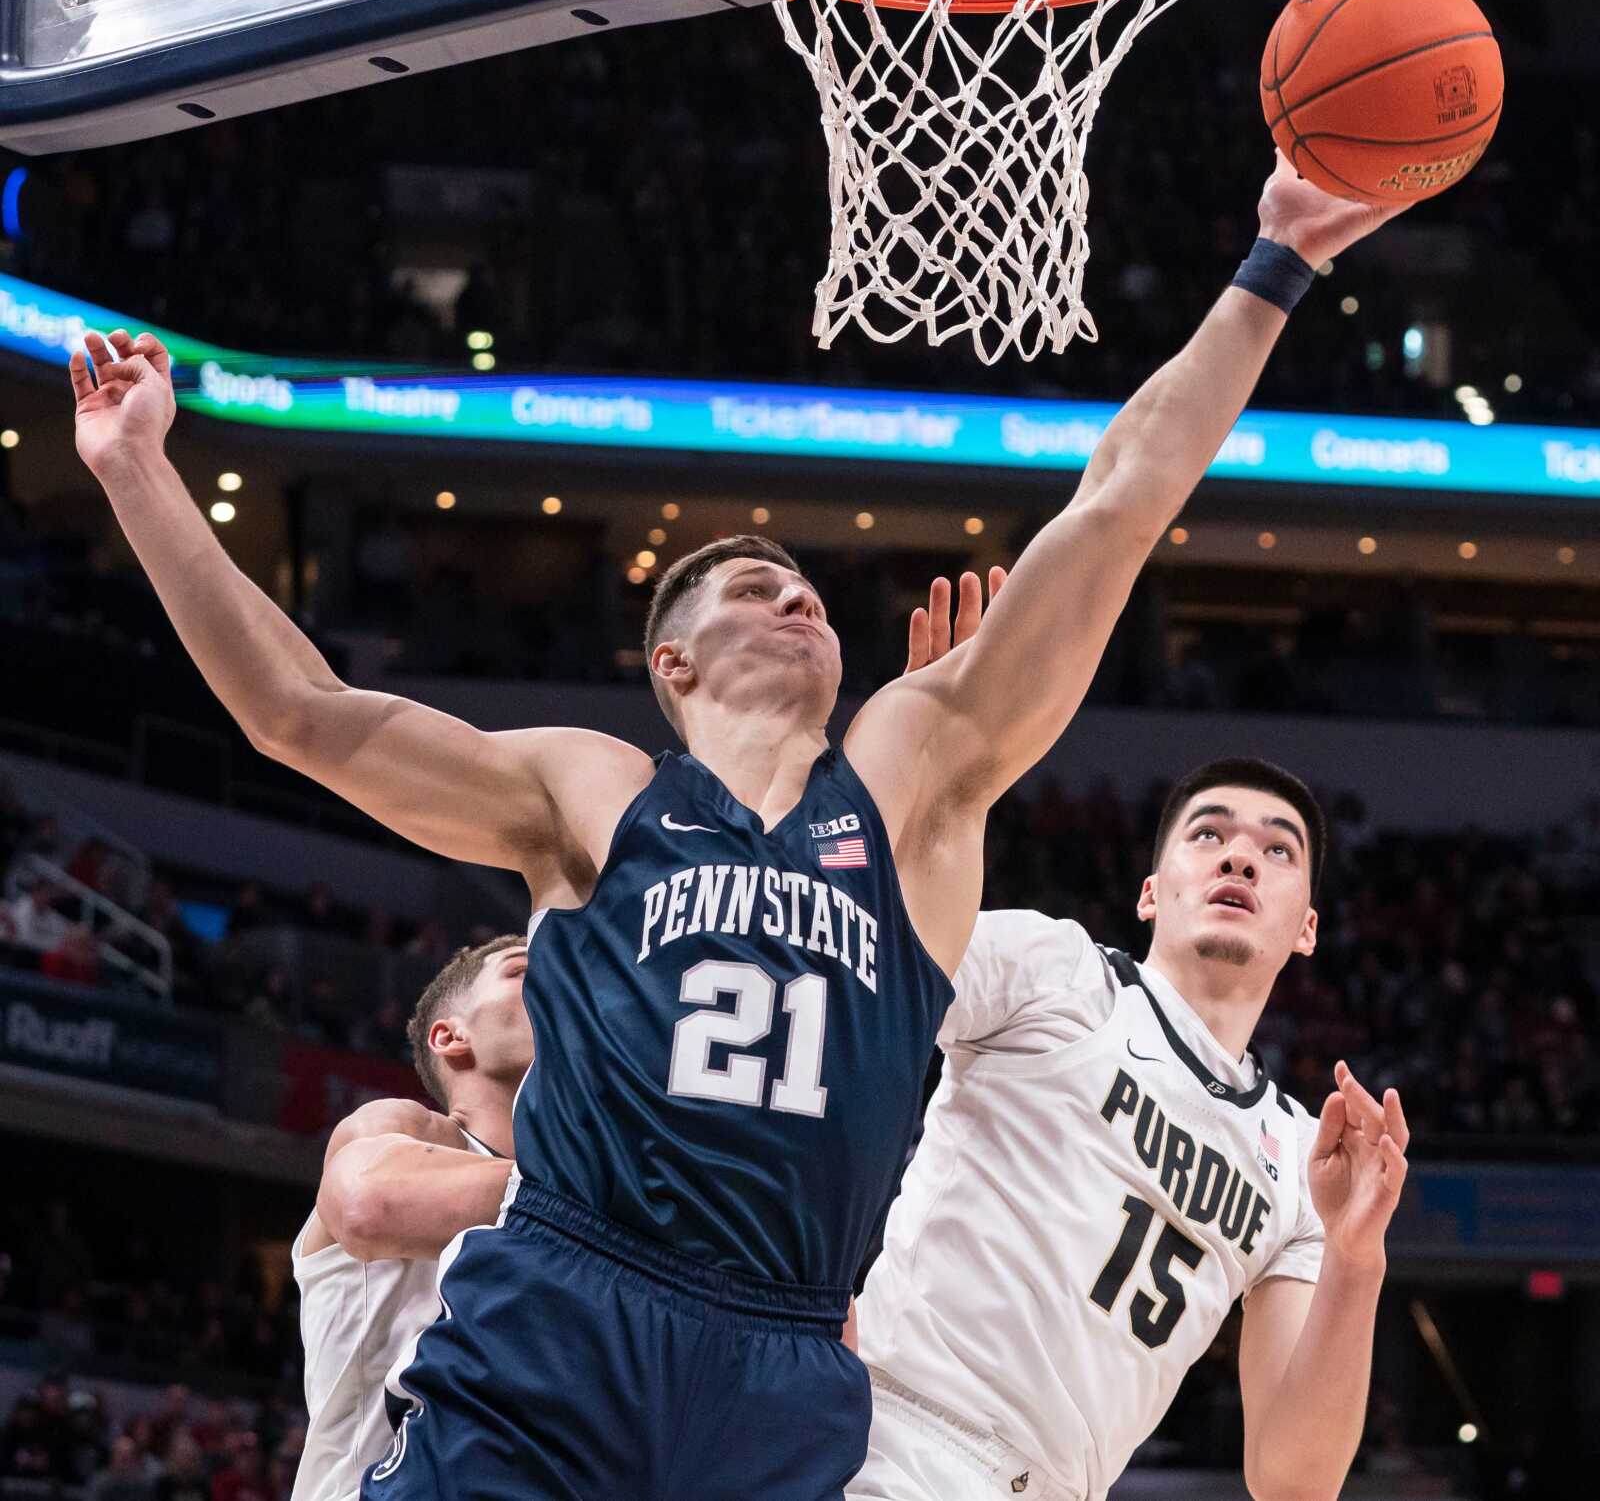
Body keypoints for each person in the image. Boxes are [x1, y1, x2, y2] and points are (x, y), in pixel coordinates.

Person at [68, 153, 1401, 1501]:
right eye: (753, 585)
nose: (796, 595)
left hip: (785, 1358)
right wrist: (137, 474)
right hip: (567, 1305)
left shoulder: (912, 780)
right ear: (674, 667)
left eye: (811, 586)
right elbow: (305, 712)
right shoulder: (593, 793)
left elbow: (1116, 507)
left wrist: (1275, 266)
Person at [848, 589, 1411, 1501]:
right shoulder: (1056, 970)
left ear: (1307, 926)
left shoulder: (1305, 1161)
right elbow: (863, 974)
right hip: (888, 1437)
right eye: (1209, 835)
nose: (1238, 858)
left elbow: (1292, 1479)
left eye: (1276, 851)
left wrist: (1356, 1260)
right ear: (1151, 891)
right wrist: (924, 793)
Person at [291, 936, 528, 1501]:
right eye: (523, 970)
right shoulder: (406, 1129)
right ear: (451, 1036)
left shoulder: (598, 1193)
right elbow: (364, 1204)